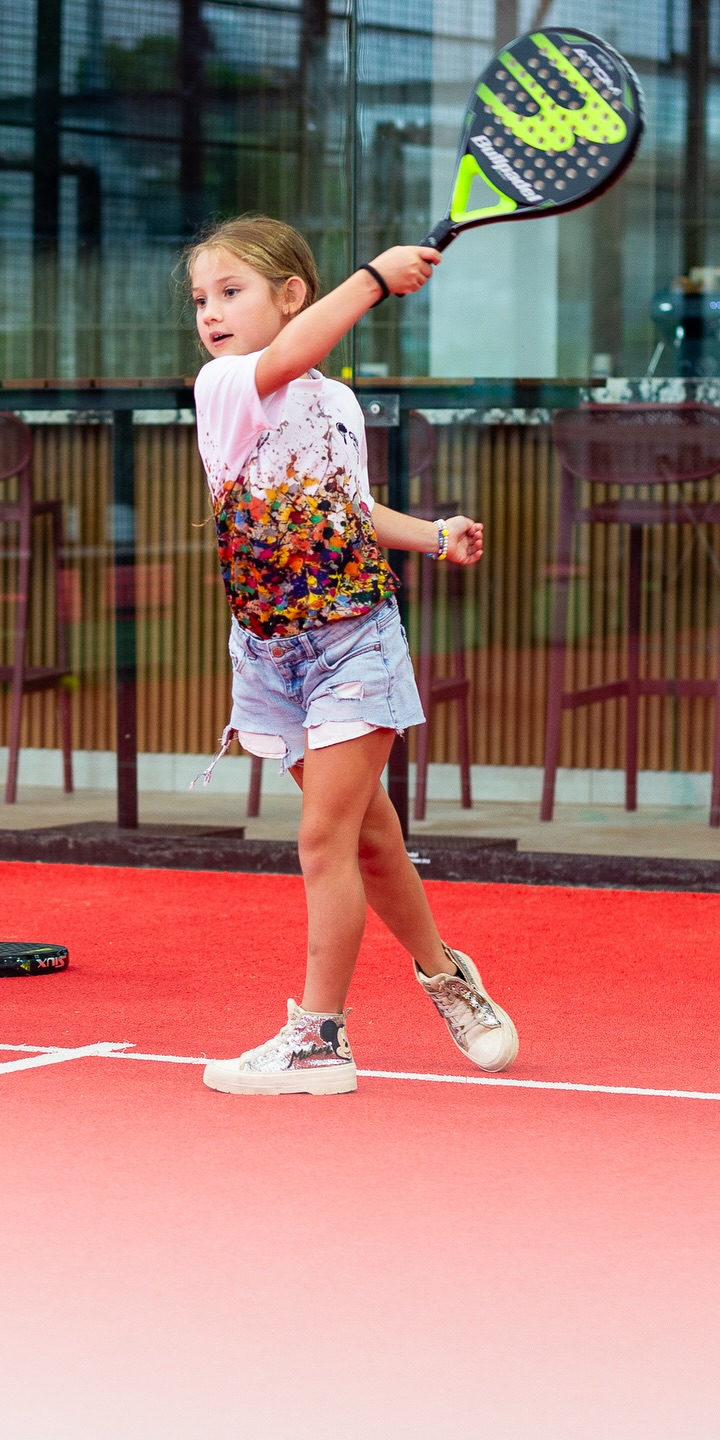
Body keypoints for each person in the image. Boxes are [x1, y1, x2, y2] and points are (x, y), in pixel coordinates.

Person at [185, 215, 519, 1096]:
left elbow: (350, 510)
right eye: (201, 300)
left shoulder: (333, 404)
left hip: (356, 638)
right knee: (373, 844)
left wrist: (436, 536)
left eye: (231, 292)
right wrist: (375, 277)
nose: (211, 313)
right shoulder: (223, 385)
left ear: (291, 293)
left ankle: (318, 1038)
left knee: (323, 836)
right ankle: (447, 973)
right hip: (267, 652)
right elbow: (283, 361)